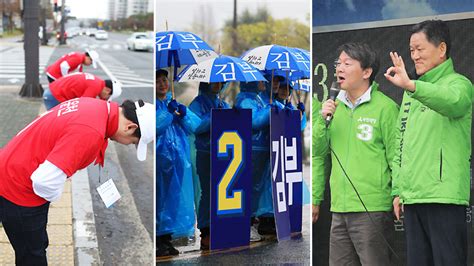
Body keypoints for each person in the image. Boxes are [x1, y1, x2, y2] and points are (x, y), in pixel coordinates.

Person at [0, 97, 154, 265]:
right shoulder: (90, 132)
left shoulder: (96, 107)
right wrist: (54, 195)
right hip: (18, 186)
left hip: (12, 163)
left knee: (31, 248)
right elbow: (44, 182)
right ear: (130, 127)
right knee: (32, 254)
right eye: (133, 142)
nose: (129, 145)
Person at [385, 20, 473, 265]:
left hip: (443, 198)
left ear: (441, 48)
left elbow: (452, 102)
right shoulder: (411, 92)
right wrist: (398, 190)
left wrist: (412, 86)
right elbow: (401, 142)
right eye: (411, 50)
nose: (414, 56)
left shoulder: (459, 84)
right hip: (413, 199)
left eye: (420, 49)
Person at [313, 42, 398, 265]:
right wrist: (322, 121)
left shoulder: (385, 108)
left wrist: (399, 192)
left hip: (372, 208)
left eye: (347, 64)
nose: (339, 69)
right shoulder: (332, 107)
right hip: (339, 208)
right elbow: (318, 152)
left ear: (367, 72)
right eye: (338, 63)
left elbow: (396, 157)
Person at [156, 69, 201, 257]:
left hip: (178, 159)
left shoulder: (173, 103)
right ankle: (159, 240)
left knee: (173, 199)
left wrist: (184, 114)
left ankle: (166, 238)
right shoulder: (150, 105)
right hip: (161, 159)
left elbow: (196, 126)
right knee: (160, 199)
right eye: (157, 81)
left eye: (164, 79)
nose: (162, 83)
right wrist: (167, 114)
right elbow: (155, 127)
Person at [188, 82, 230, 250]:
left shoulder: (223, 103)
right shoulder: (197, 103)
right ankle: (205, 231)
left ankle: (219, 229)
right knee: (207, 193)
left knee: (220, 192)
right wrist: (213, 117)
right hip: (204, 154)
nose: (217, 85)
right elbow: (196, 126)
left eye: (221, 82)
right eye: (213, 81)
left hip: (223, 154)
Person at [43, 72, 122, 110]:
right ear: (107, 90)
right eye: (108, 97)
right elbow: (83, 106)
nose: (105, 99)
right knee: (55, 123)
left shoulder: (96, 81)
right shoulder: (95, 87)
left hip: (52, 91)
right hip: (54, 95)